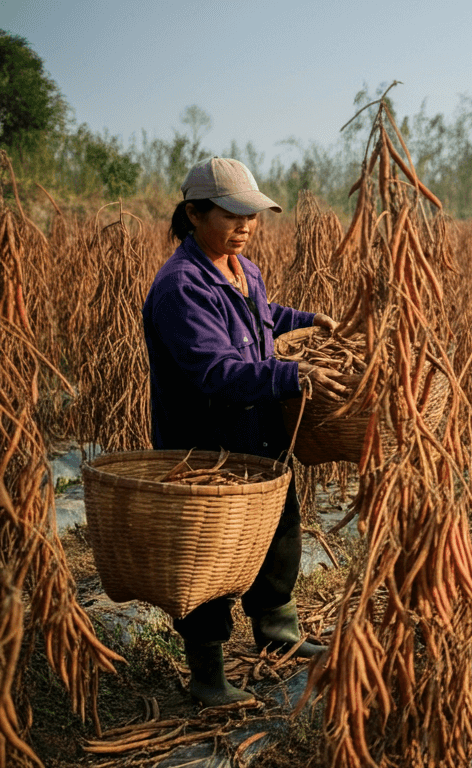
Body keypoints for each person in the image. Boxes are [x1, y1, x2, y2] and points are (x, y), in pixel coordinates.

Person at [142, 157, 348, 707]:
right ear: (194, 212)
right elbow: (213, 369)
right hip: (206, 441)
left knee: (279, 529)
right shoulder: (181, 287)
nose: (246, 225)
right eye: (233, 214)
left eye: (252, 215)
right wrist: (291, 374)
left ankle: (277, 631)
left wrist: (303, 319)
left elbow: (260, 315)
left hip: (256, 430)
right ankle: (208, 673)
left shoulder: (243, 268)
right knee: (209, 555)